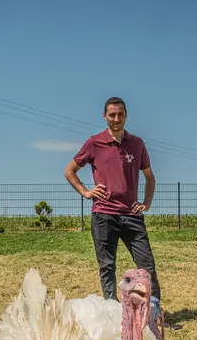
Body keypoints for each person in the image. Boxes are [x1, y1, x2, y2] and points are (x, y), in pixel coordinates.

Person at [64, 96, 163, 321]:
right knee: (107, 266)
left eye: (120, 114)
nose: (116, 119)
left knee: (146, 265)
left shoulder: (137, 144)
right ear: (105, 117)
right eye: (112, 115)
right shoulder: (94, 143)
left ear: (126, 115)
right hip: (103, 215)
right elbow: (70, 171)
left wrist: (146, 203)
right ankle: (112, 315)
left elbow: (149, 177)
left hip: (131, 215)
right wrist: (86, 192)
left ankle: (154, 315)